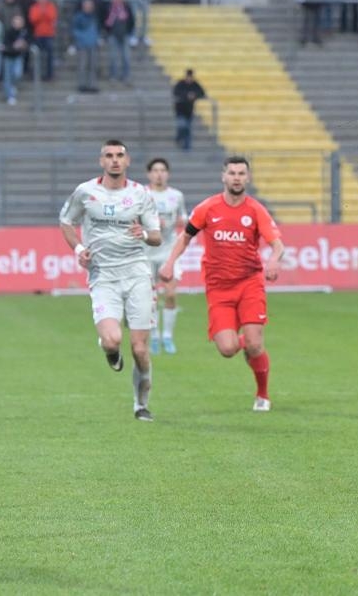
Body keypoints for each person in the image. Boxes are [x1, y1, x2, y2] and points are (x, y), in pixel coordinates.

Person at [158, 156, 285, 412]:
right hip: (218, 287)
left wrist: (273, 259)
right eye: (232, 173)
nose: (236, 177)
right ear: (223, 176)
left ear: (247, 178)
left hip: (250, 283)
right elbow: (185, 237)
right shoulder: (208, 208)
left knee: (255, 344)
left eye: (241, 173)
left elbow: (277, 244)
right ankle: (249, 342)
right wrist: (170, 263)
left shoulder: (255, 210)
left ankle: (263, 394)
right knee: (227, 349)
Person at [59, 139, 162, 422]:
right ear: (101, 161)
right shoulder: (85, 192)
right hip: (103, 276)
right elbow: (66, 221)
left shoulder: (141, 194)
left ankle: (141, 405)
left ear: (127, 161)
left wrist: (142, 233)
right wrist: (80, 249)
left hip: (137, 275)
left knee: (140, 349)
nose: (115, 160)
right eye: (109, 155)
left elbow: (156, 237)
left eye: (120, 155)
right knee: (112, 339)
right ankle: (110, 352)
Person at [145, 158, 188, 354]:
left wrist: (181, 221)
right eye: (155, 170)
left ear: (167, 174)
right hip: (146, 250)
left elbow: (184, 217)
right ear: (149, 174)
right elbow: (133, 218)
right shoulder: (142, 194)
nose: (159, 174)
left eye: (162, 170)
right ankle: (154, 336)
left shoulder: (176, 196)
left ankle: (168, 336)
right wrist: (152, 223)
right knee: (150, 296)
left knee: (170, 293)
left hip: (168, 250)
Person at [172, 69, 205, 150]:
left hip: (189, 111)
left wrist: (195, 95)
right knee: (182, 126)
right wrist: (187, 95)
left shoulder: (195, 84)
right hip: (180, 110)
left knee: (188, 128)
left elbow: (202, 93)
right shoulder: (181, 84)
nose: (189, 79)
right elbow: (175, 92)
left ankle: (186, 146)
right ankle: (180, 138)